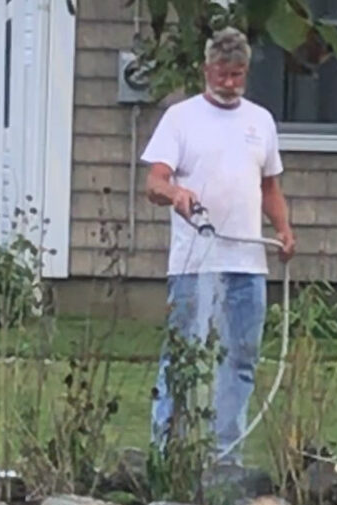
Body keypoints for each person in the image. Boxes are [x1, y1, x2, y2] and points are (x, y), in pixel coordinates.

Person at [141, 26, 295, 465]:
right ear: (207, 69)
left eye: (238, 75)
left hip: (248, 263)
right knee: (182, 358)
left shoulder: (260, 121)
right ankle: (166, 451)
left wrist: (283, 230)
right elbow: (155, 181)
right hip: (195, 264)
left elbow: (270, 187)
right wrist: (177, 195)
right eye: (223, 74)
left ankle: (226, 456)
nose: (230, 84)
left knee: (240, 361)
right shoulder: (181, 118)